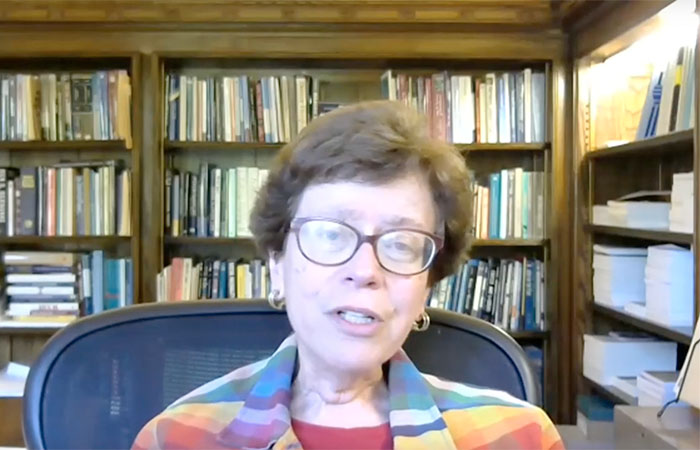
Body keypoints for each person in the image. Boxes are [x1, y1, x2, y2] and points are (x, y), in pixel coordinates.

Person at [132, 100, 563, 450]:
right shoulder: (175, 439)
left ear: (427, 283)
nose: (364, 271)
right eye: (331, 235)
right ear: (276, 264)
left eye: (400, 243)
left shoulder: (518, 437)